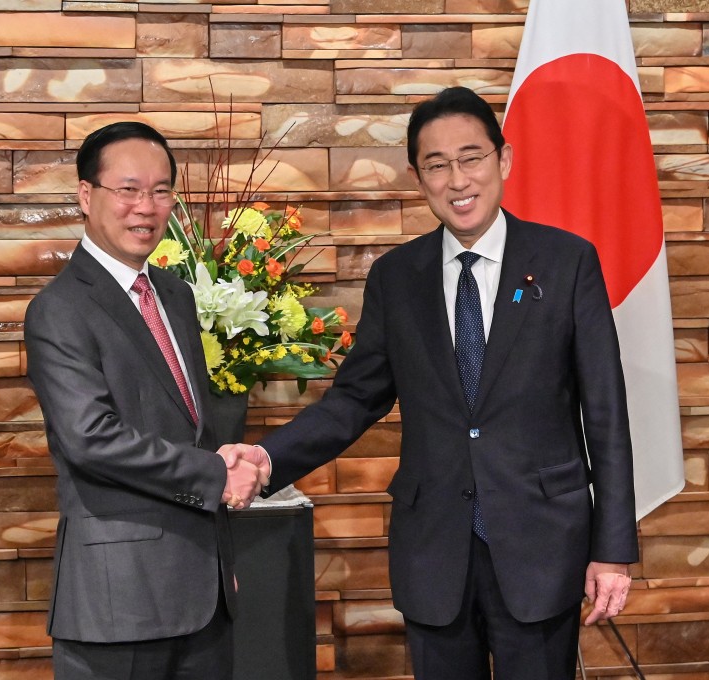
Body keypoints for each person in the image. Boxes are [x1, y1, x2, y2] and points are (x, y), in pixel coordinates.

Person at [238, 86, 639, 679]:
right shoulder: (397, 277)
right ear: (417, 176)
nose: (458, 179)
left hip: (540, 544)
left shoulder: (566, 261)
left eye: (471, 157)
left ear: (503, 160)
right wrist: (267, 459)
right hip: (435, 548)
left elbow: (605, 415)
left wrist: (613, 550)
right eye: (437, 164)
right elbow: (354, 398)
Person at [23, 121, 269, 680]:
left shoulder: (176, 296)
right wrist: (215, 473)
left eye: (161, 191)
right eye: (129, 189)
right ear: (87, 196)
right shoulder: (59, 309)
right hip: (120, 600)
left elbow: (187, 425)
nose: (146, 206)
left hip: (203, 596)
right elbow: (90, 438)